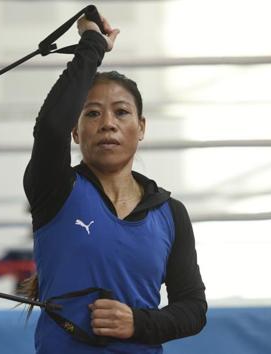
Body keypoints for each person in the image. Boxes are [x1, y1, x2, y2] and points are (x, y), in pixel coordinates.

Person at [23, 13, 207, 353]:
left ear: (141, 127)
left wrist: (137, 323)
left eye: (121, 112)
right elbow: (49, 129)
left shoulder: (171, 213)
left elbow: (193, 310)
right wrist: (92, 44)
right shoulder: (55, 189)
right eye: (92, 113)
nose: (107, 123)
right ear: (76, 132)